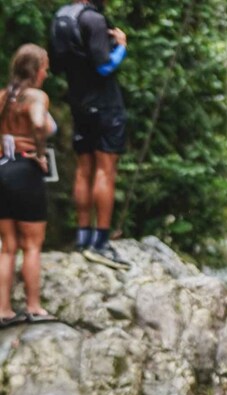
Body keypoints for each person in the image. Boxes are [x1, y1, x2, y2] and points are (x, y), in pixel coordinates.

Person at [50, 0, 130, 269]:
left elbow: (57, 64)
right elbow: (104, 66)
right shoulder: (93, 20)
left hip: (79, 103)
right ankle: (100, 242)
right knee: (105, 171)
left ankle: (83, 236)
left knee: (84, 169)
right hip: (105, 105)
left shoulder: (62, 17)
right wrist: (121, 47)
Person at [0, 45, 59, 326]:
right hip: (25, 170)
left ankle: (3, 310)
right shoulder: (35, 96)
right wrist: (39, 152)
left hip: (2, 168)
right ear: (35, 70)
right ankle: (34, 306)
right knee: (32, 245)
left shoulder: (2, 97)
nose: (46, 73)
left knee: (7, 246)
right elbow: (38, 123)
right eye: (44, 67)